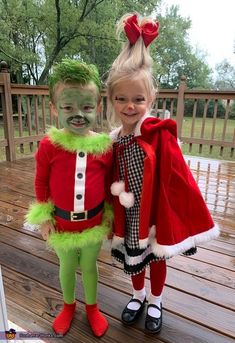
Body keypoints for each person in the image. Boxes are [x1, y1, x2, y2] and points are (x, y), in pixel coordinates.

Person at [105, 13, 220, 334]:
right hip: (129, 215)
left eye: (138, 99)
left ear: (151, 99)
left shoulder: (158, 134)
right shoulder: (113, 139)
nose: (130, 106)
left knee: (156, 258)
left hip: (154, 213)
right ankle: (137, 295)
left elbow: (178, 176)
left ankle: (155, 300)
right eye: (122, 99)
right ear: (111, 100)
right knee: (133, 257)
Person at [26, 59, 113, 337]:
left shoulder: (103, 147)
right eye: (68, 107)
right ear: (54, 109)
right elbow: (41, 182)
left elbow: (109, 183)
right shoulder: (49, 145)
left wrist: (110, 217)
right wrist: (43, 219)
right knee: (66, 266)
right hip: (62, 225)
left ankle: (92, 307)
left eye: (87, 107)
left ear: (98, 107)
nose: (78, 115)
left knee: (89, 266)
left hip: (94, 223)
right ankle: (67, 306)